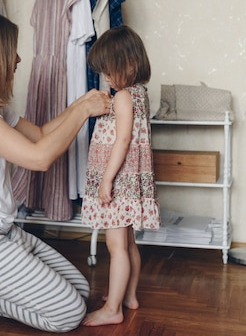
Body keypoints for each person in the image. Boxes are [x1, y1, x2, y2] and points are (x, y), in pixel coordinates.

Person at [0, 10, 111, 333]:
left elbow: (41, 135)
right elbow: (39, 158)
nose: (17, 59)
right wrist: (84, 110)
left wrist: (78, 106)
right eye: (10, 51)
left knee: (81, 292)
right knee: (68, 314)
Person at [81, 25, 160, 326]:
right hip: (130, 184)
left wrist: (106, 179)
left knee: (116, 247)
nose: (108, 79)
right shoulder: (140, 93)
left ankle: (113, 308)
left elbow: (123, 140)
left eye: (111, 72)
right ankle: (129, 296)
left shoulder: (124, 97)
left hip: (119, 183)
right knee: (128, 244)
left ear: (129, 63)